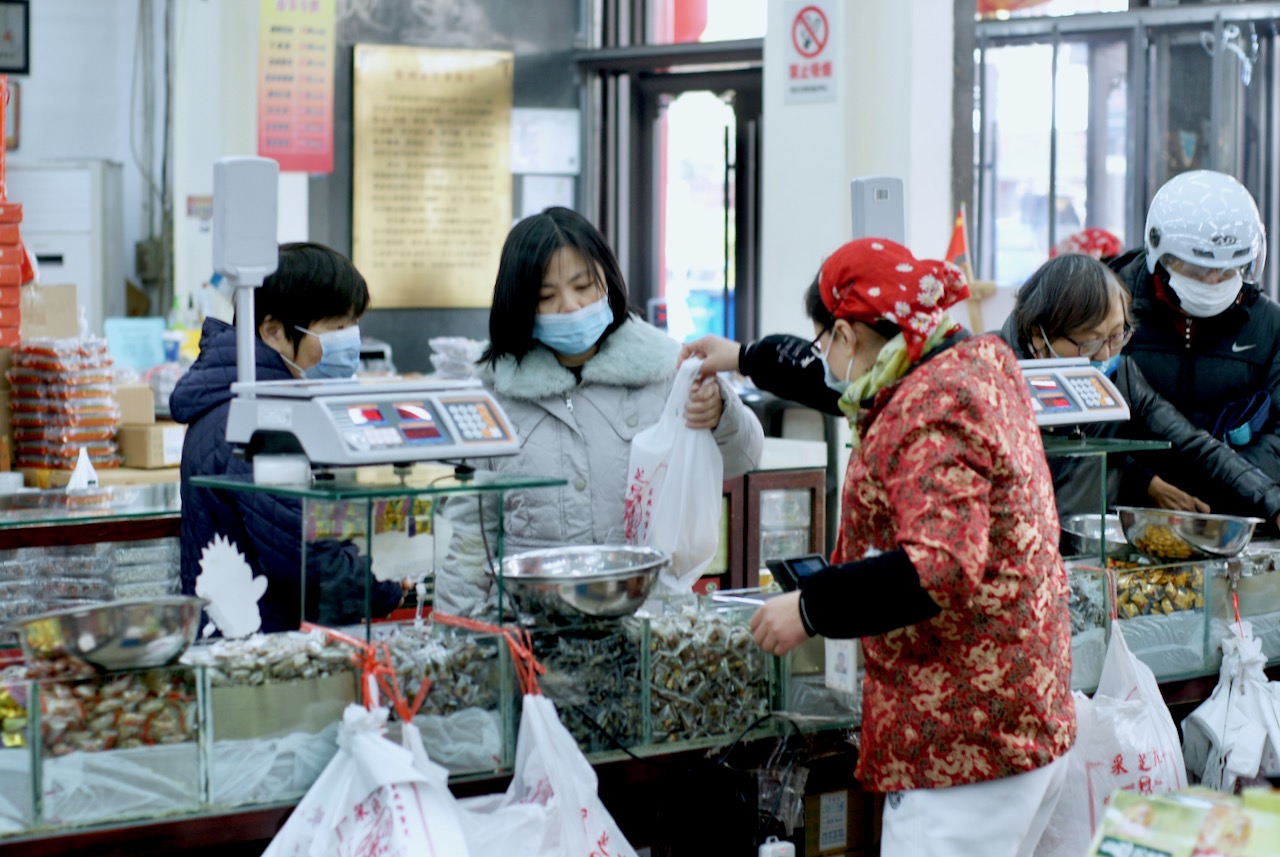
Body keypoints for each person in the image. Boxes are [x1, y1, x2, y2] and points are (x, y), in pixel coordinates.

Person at [683, 237, 1074, 857]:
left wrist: (810, 608)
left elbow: (939, 567)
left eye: (825, 342)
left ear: (846, 333)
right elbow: (840, 388)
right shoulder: (969, 362)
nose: (824, 358)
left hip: (964, 745)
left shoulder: (931, 408)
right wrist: (744, 357)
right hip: (1021, 715)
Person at [436, 207, 763, 615]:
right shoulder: (494, 395)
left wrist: (720, 412)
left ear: (607, 280)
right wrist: (460, 634)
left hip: (645, 618)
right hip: (534, 625)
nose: (570, 306)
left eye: (583, 286)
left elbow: (744, 457)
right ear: (519, 304)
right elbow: (469, 539)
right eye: (546, 297)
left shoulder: (665, 369)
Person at [170, 242, 407, 634]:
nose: (350, 341)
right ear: (273, 331)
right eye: (337, 328)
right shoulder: (256, 422)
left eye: (353, 325)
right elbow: (306, 562)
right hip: (253, 649)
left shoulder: (279, 405)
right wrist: (383, 581)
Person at [999, 253, 1280, 526]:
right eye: (1090, 343)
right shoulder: (988, 372)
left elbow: (1195, 448)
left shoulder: (1121, 378)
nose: (1104, 354)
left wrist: (1272, 502)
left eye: (1116, 337)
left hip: (1083, 545)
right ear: (1039, 335)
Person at [1109, 169, 1280, 516]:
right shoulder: (1109, 310)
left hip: (1231, 514)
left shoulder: (1269, 326)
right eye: (1200, 269)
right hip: (1125, 514)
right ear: (1163, 255)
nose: (1215, 280)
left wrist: (1229, 488)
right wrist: (1143, 483)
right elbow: (1082, 429)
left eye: (1229, 269)